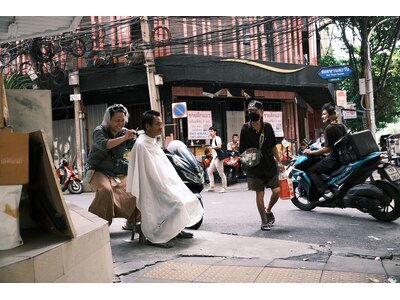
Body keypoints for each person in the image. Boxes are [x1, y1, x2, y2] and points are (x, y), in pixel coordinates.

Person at [126, 110, 204, 248]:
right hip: (153, 189)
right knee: (177, 204)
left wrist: (173, 182)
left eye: (161, 123)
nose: (161, 127)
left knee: (190, 199)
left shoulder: (151, 141)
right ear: (147, 126)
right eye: (157, 124)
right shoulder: (141, 144)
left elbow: (163, 167)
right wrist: (166, 187)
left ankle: (175, 230)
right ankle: (155, 236)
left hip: (164, 184)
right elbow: (149, 175)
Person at [86, 104, 140, 228]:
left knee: (137, 186)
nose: (120, 123)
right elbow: (106, 145)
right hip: (97, 170)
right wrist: (125, 137)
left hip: (117, 169)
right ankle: (98, 225)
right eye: (117, 120)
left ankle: (133, 220)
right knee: (105, 190)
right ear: (109, 120)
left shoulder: (125, 132)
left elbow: (136, 146)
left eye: (122, 120)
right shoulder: (99, 131)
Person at [239, 100, 285, 231]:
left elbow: (273, 147)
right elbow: (241, 150)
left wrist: (280, 162)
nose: (252, 113)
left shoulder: (268, 127)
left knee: (277, 191)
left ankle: (268, 209)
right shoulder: (245, 129)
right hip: (254, 167)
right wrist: (250, 155)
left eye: (255, 111)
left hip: (270, 165)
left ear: (262, 112)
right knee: (260, 194)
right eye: (250, 112)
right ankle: (264, 221)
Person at [303, 103, 347, 202]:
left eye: (324, 114)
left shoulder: (329, 128)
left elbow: (327, 149)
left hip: (334, 159)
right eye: (322, 114)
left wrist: (310, 152)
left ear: (330, 115)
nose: (322, 116)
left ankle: (327, 192)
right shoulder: (342, 126)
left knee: (312, 171)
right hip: (343, 158)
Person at [206, 126, 228, 193]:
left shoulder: (217, 138)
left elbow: (219, 146)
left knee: (221, 173)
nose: (210, 133)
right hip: (214, 158)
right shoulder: (212, 139)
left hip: (218, 158)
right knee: (209, 171)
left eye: (212, 131)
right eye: (209, 131)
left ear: (215, 132)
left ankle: (224, 188)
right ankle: (212, 187)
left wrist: (211, 147)